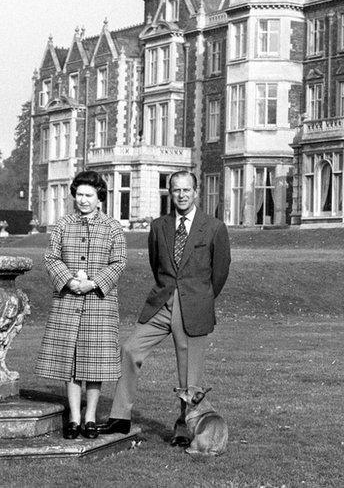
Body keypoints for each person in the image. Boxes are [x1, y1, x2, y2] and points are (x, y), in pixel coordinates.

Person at [100, 170, 231, 446]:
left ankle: (184, 429)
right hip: (161, 303)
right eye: (176, 190)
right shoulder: (159, 226)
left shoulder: (214, 227)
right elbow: (156, 263)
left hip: (194, 306)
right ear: (169, 193)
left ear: (196, 192)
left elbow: (219, 273)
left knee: (189, 375)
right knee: (130, 348)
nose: (181, 195)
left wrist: (200, 299)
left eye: (186, 190)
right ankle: (120, 416)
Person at [35, 170, 127, 439]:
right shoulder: (62, 225)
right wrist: (69, 281)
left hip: (99, 301)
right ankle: (74, 417)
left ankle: (90, 417)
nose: (83, 200)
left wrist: (94, 283)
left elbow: (119, 262)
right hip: (68, 300)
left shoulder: (112, 227)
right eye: (79, 195)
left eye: (89, 195)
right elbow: (51, 258)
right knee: (71, 361)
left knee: (94, 362)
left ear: (100, 198)